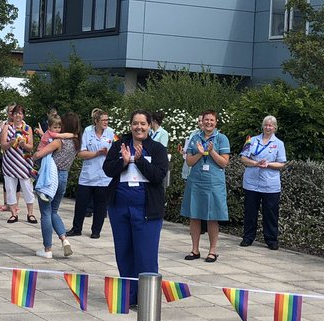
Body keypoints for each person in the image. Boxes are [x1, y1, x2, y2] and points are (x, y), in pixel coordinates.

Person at [104, 110, 169, 305]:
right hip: (120, 208)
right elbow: (108, 170)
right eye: (135, 123)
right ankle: (129, 296)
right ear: (130, 125)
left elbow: (158, 176)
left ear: (149, 126)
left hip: (147, 211)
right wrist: (123, 162)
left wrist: (140, 161)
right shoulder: (119, 145)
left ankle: (147, 298)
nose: (138, 127)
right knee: (124, 253)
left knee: (145, 255)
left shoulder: (157, 149)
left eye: (143, 124)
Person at [181, 110, 230, 262]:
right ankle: (195, 250)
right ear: (202, 122)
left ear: (216, 122)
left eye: (211, 120)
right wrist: (201, 153)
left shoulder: (222, 138)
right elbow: (189, 161)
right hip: (196, 180)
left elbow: (224, 162)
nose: (208, 122)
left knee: (212, 216)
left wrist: (211, 151)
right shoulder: (195, 138)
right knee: (194, 214)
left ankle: (212, 251)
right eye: (206, 120)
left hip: (214, 182)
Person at [31, 112, 77, 259]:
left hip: (50, 178)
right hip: (64, 177)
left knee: (45, 213)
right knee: (54, 211)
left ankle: (47, 249)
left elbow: (38, 155)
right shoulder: (77, 143)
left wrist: (33, 157)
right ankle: (64, 239)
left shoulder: (58, 141)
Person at [240, 115, 286, 250]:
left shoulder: (279, 144)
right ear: (262, 126)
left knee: (271, 213)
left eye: (271, 125)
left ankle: (271, 239)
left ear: (275, 128)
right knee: (250, 212)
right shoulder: (251, 140)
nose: (268, 127)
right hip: (251, 183)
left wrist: (269, 164)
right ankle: (248, 237)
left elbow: (282, 163)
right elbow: (243, 158)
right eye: (266, 125)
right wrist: (255, 163)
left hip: (270, 185)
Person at [68, 109, 114, 238]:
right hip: (88, 175)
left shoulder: (111, 133)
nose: (106, 122)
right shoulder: (88, 131)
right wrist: (97, 153)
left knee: (100, 205)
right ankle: (76, 228)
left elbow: (117, 153)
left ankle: (96, 231)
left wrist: (107, 153)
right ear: (96, 121)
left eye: (107, 120)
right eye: (103, 120)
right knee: (81, 204)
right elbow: (81, 153)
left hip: (104, 176)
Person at [0, 104, 37, 224]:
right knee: (10, 188)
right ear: (12, 115)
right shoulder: (7, 127)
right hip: (10, 162)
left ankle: (30, 213)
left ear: (23, 115)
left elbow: (30, 147)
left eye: (20, 113)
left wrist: (23, 145)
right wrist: (11, 143)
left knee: (27, 188)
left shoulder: (27, 128)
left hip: (24, 162)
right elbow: (2, 145)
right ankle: (13, 213)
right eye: (15, 113)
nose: (18, 115)